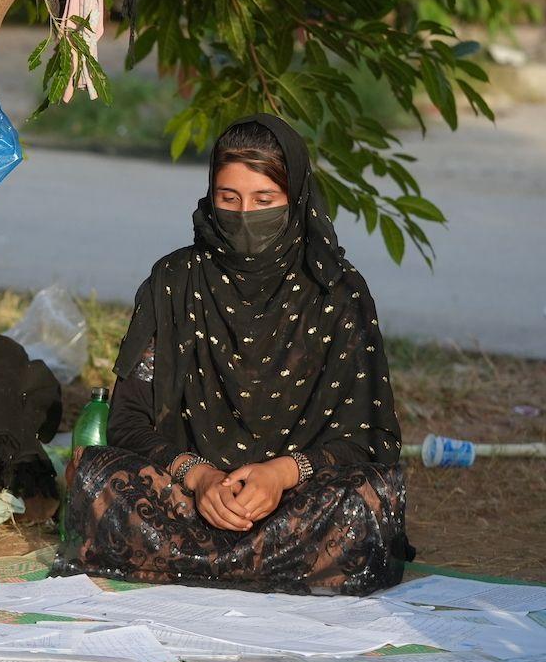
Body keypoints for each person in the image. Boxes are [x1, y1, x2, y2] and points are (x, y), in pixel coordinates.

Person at [51, 114, 413, 595]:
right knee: (101, 477)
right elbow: (129, 419)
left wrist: (280, 475)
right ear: (210, 196)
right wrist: (200, 478)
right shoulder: (174, 281)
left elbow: (367, 435)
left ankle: (193, 564)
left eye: (264, 201)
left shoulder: (336, 292)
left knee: (366, 498)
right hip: (188, 498)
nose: (245, 215)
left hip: (296, 500)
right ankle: (258, 562)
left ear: (296, 198)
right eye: (229, 199)